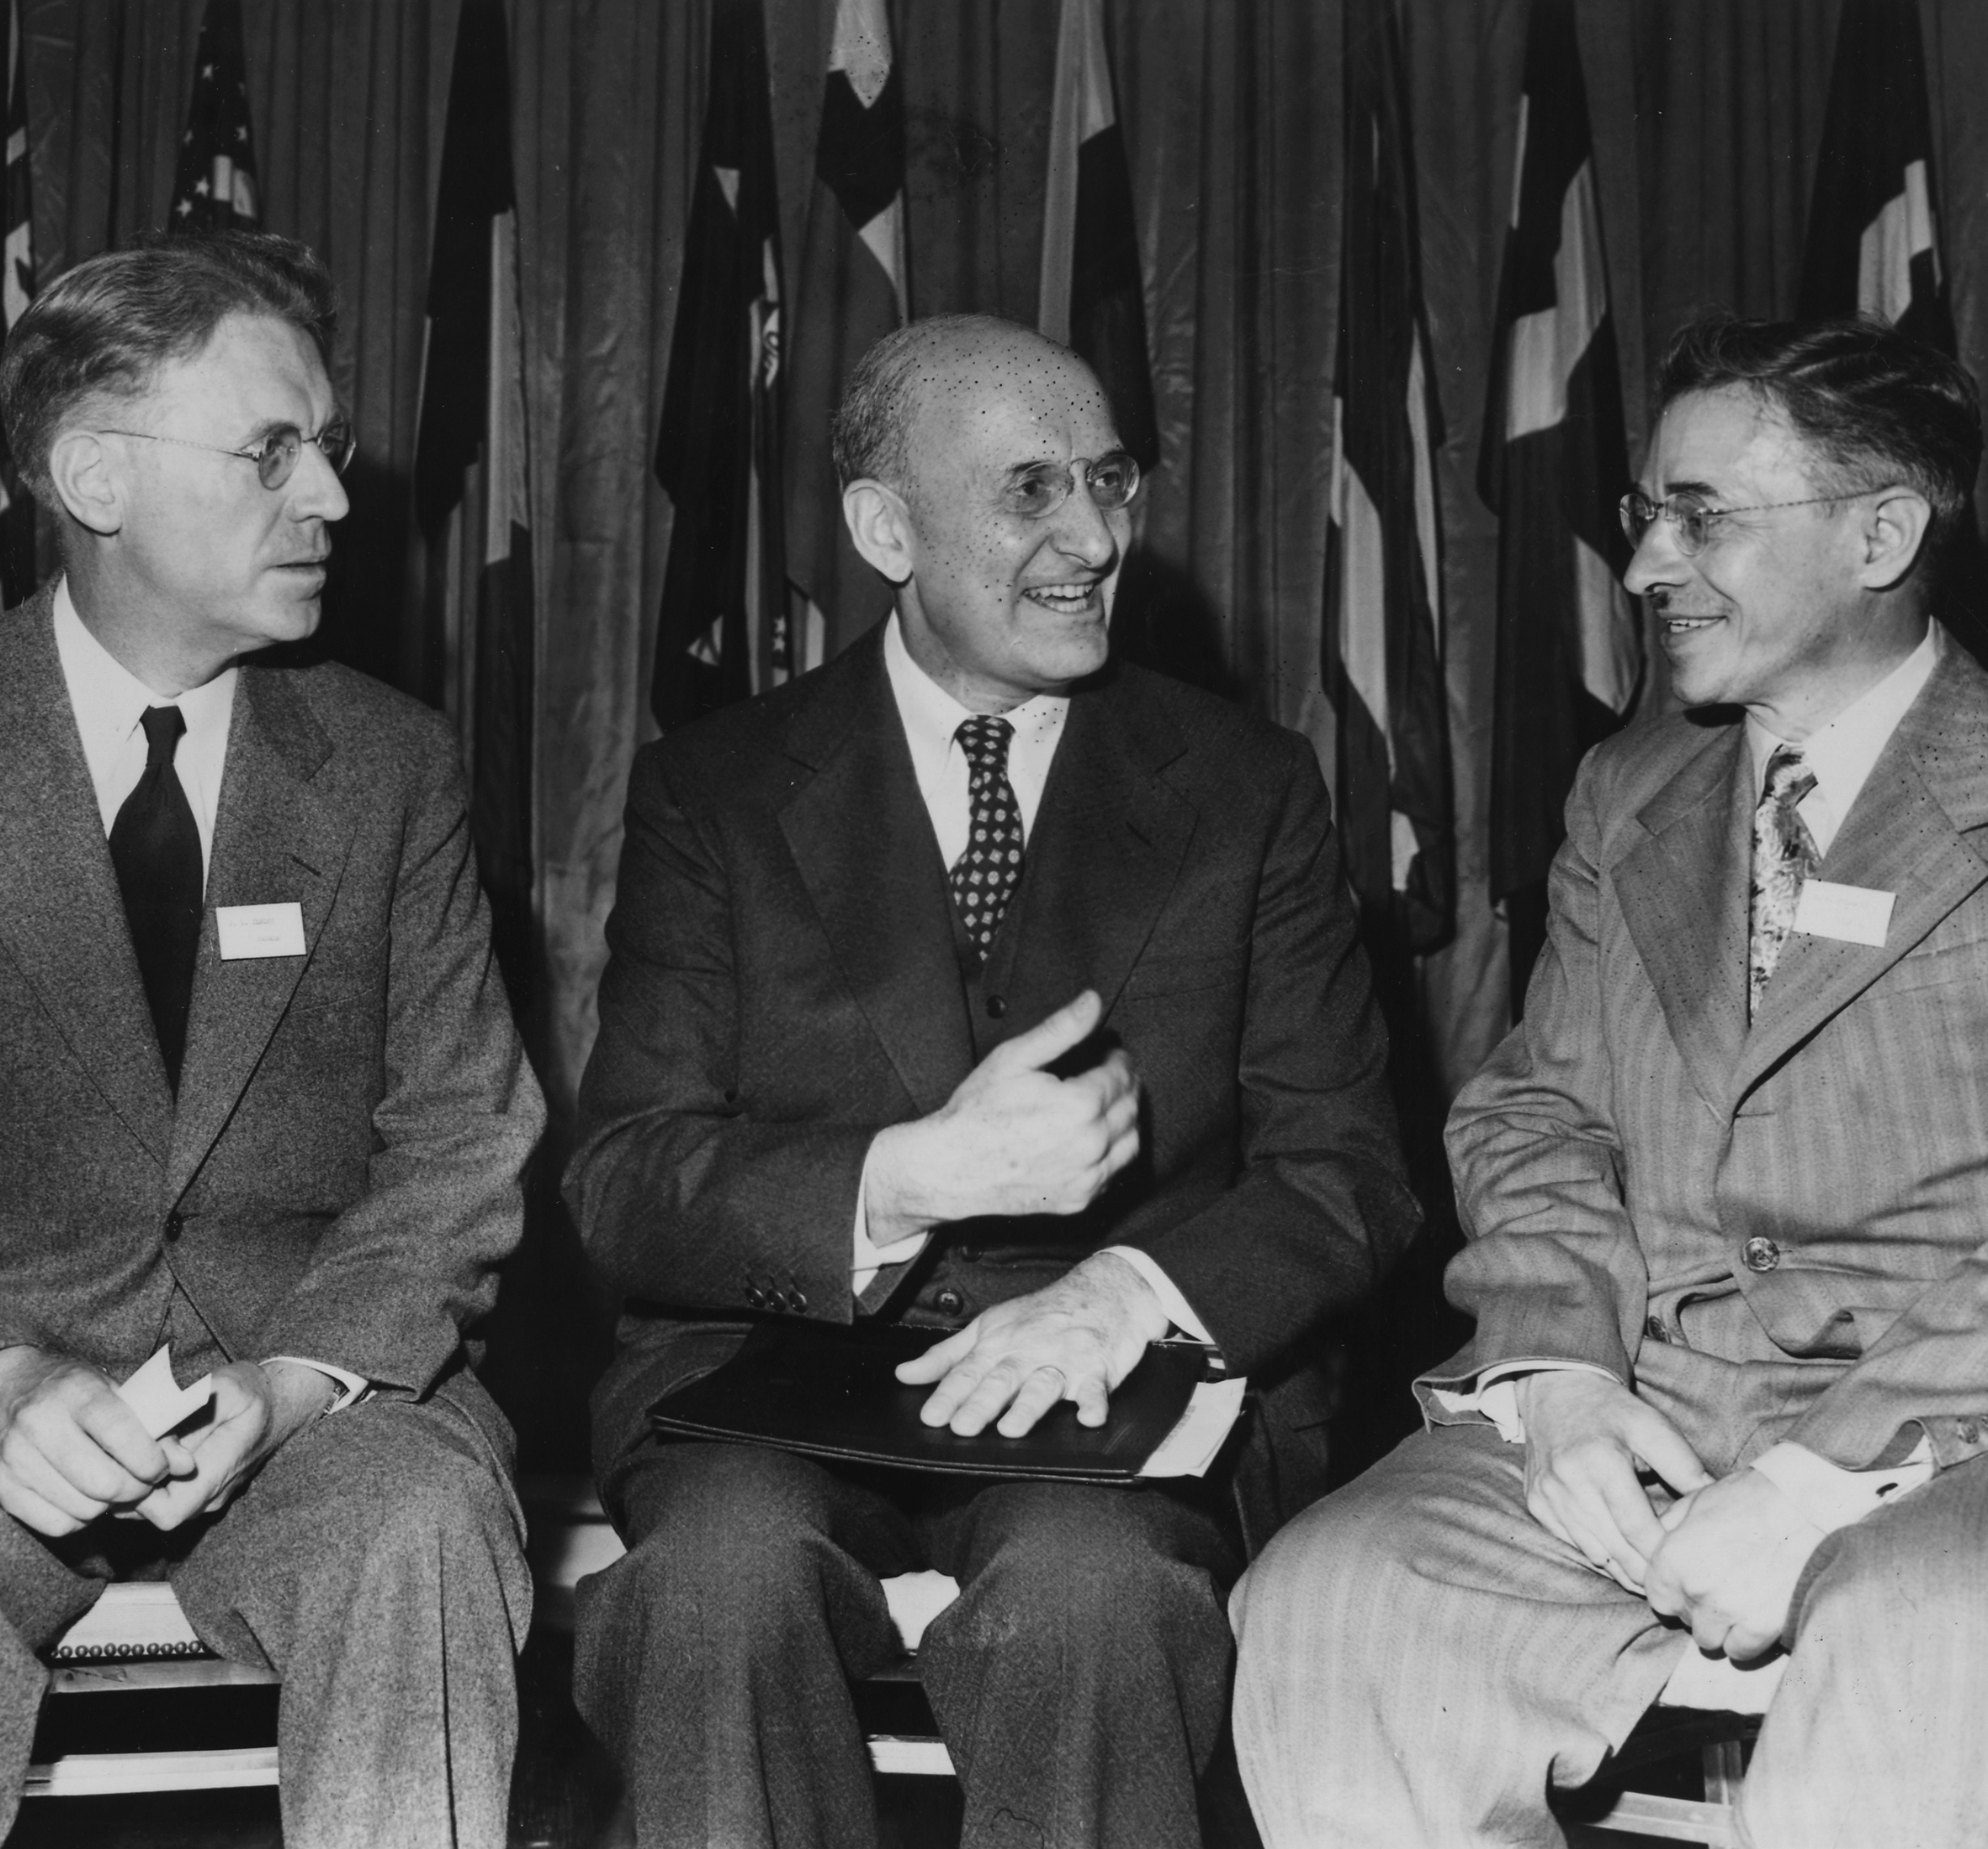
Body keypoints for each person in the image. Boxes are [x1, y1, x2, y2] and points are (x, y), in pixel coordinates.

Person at [0, 231, 545, 1849]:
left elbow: (462, 1144)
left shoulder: (389, 766)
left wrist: (295, 1383)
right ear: (93, 473)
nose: (335, 499)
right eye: (272, 450)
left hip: (309, 1398)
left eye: (329, 448)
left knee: (423, 1522)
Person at [1230, 312, 1988, 1847]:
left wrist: (1811, 1484)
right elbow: (1537, 1111)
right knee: (1334, 1601)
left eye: (1704, 518)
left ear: (1884, 533)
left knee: (1944, 1657)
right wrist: (1555, 1370)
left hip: (1986, 1439)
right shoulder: (1628, 791)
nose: (1643, 568)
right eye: (1648, 515)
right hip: (1647, 1407)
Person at [563, 313, 1417, 1849]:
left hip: (1119, 1395)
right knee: (711, 1589)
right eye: (1031, 490)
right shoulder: (718, 789)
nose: (1093, 536)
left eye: (1112, 480)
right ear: (887, 529)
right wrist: (905, 1181)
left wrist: (1130, 1292)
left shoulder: (1247, 788)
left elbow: (1347, 1174)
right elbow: (627, 1180)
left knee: (1092, 1602)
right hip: (769, 1379)